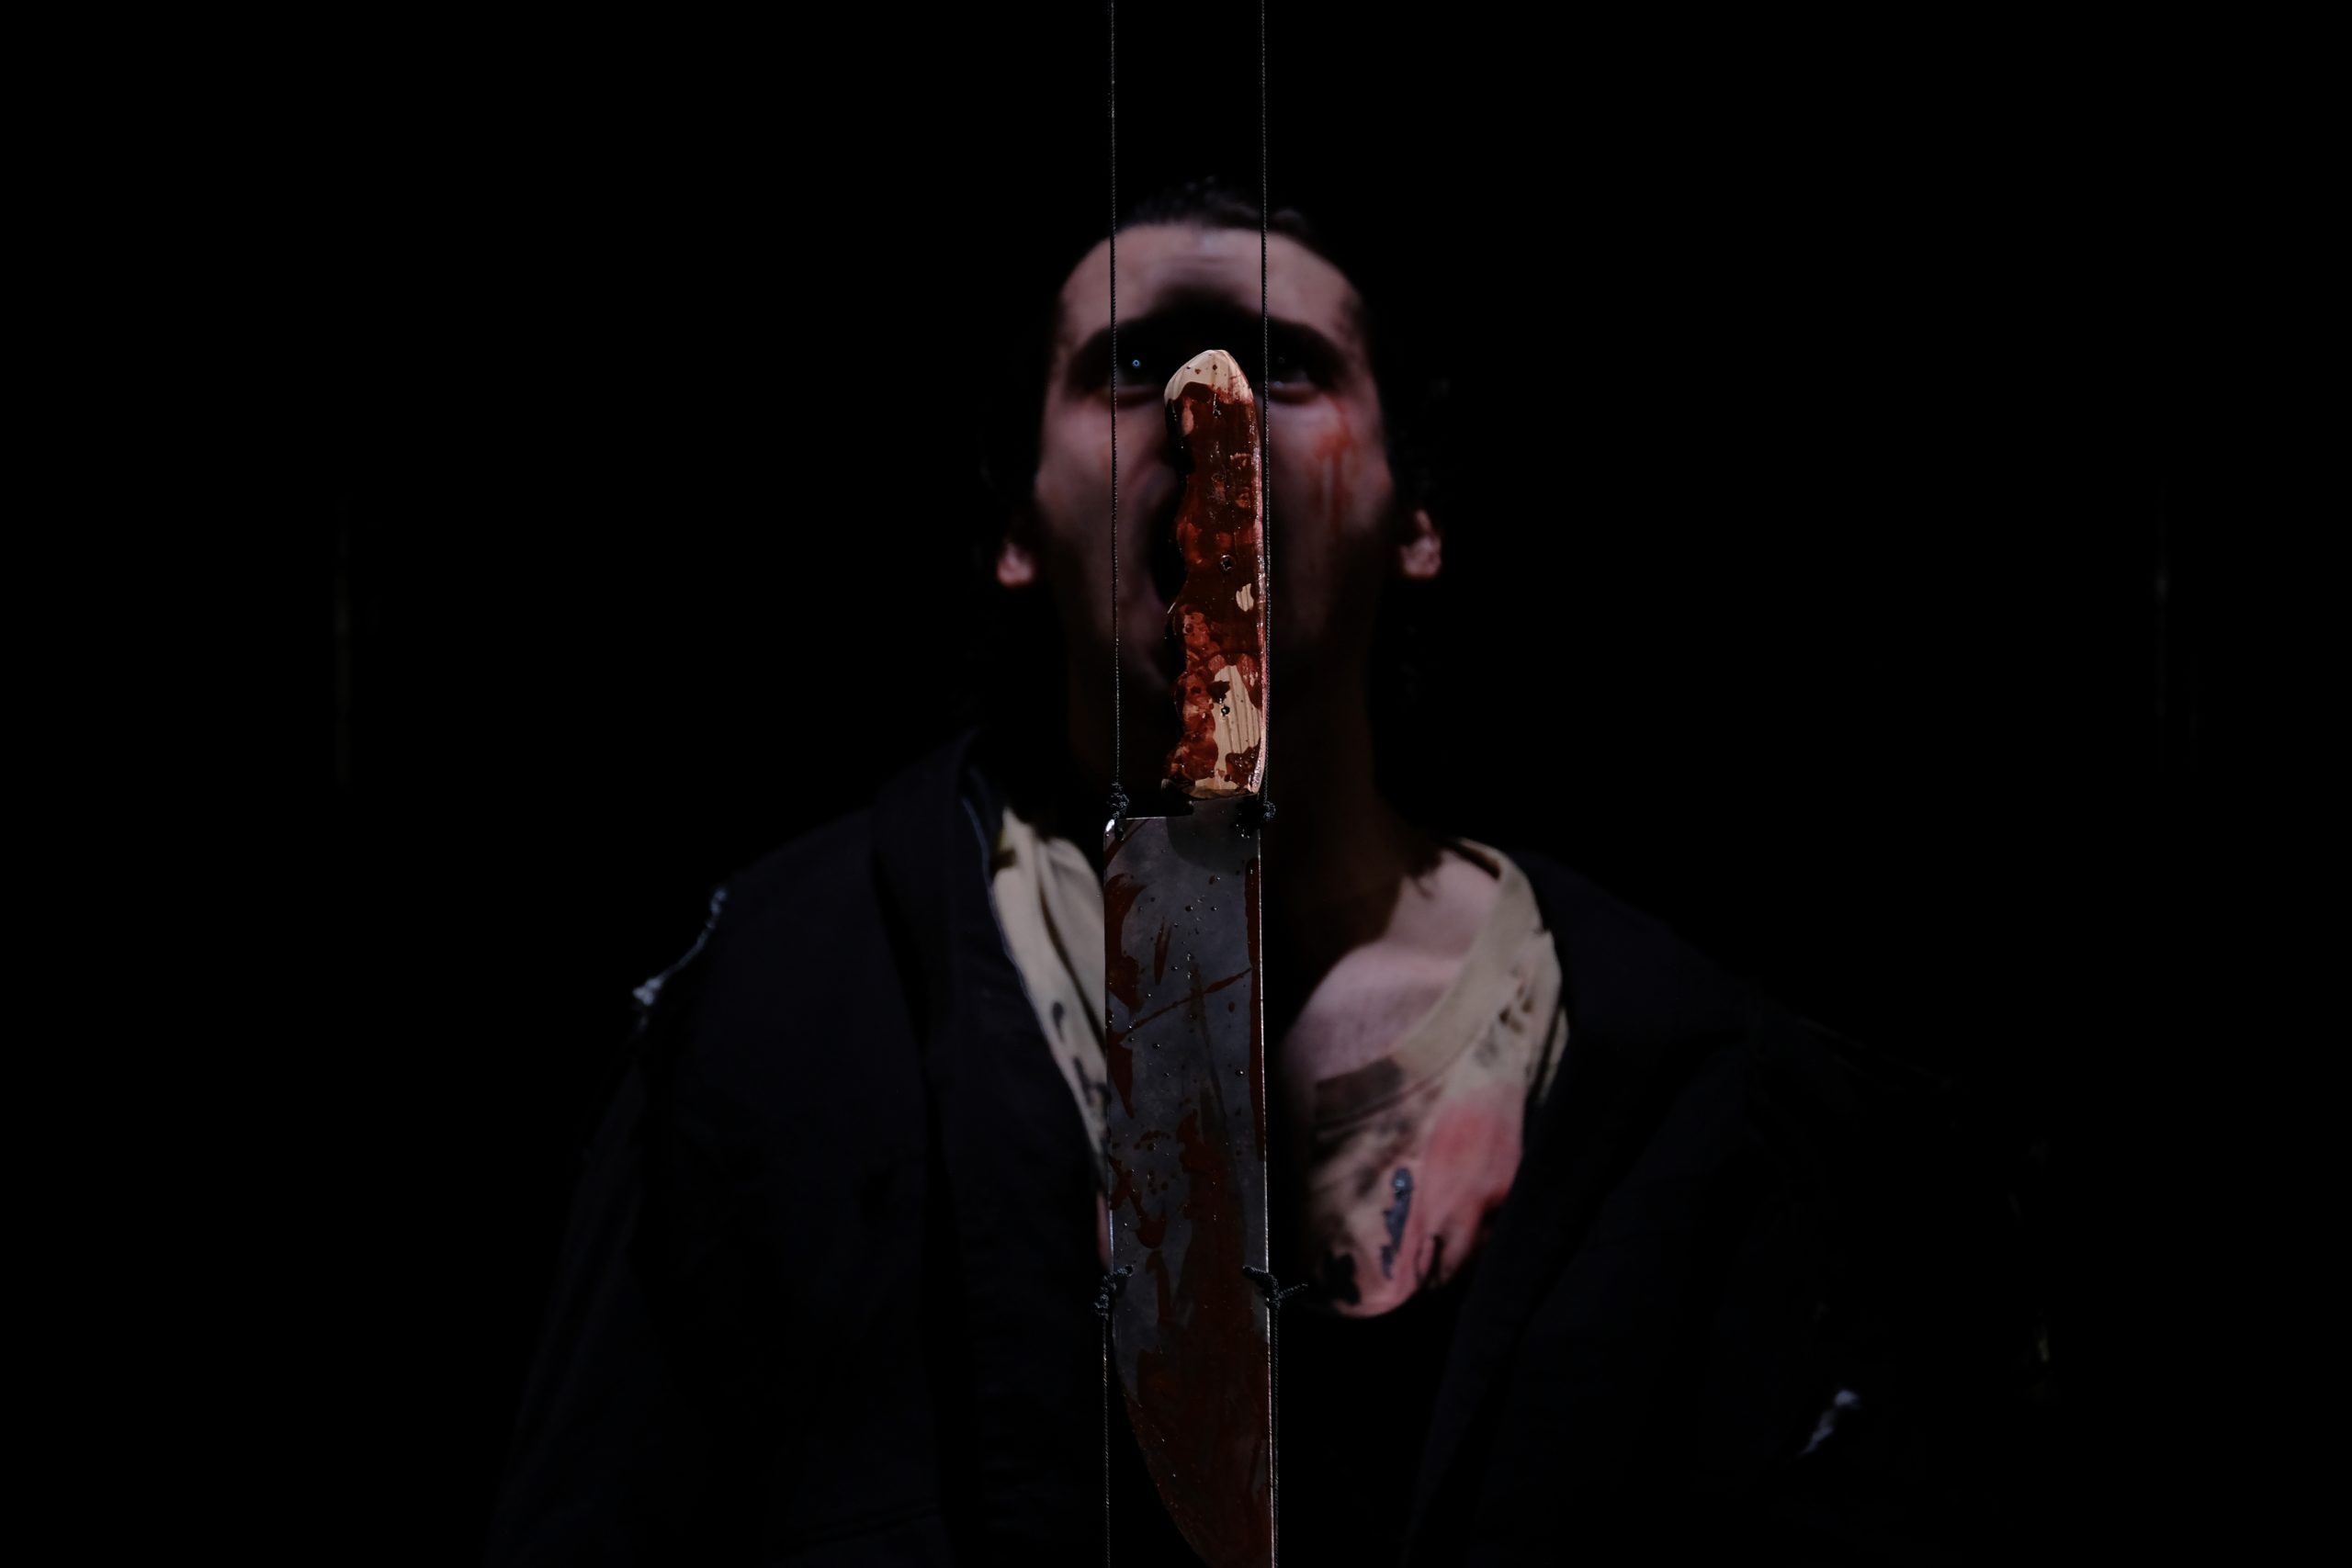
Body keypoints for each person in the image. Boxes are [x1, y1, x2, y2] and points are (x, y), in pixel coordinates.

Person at [486, 180, 2041, 1565]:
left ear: (1415, 519)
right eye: (1131, 366)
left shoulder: (1713, 1089)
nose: (1205, 409)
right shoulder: (778, 1018)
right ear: (1018, 525)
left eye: (1283, 367)